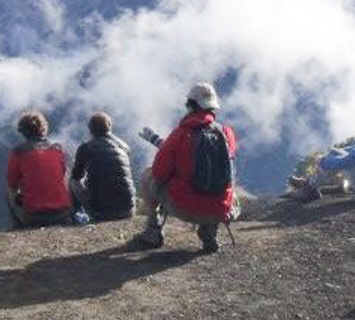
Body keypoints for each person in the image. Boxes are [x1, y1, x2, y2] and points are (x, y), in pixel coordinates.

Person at [132, 82, 237, 254]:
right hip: (221, 209)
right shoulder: (226, 133)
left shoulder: (181, 133)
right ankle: (210, 233)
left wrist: (164, 151)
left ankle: (153, 232)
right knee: (226, 184)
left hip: (186, 207)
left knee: (148, 176)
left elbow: (160, 173)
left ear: (191, 105)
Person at [6, 110, 73, 227]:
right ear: (43, 128)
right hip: (63, 214)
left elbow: (12, 184)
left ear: (22, 131)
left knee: (9, 191)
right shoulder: (59, 149)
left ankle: (18, 226)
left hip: (33, 217)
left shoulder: (18, 152)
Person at [70, 112, 136, 222]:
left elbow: (76, 176)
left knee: (73, 181)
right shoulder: (124, 147)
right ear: (109, 127)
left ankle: (75, 214)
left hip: (101, 213)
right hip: (128, 211)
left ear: (90, 129)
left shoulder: (86, 147)